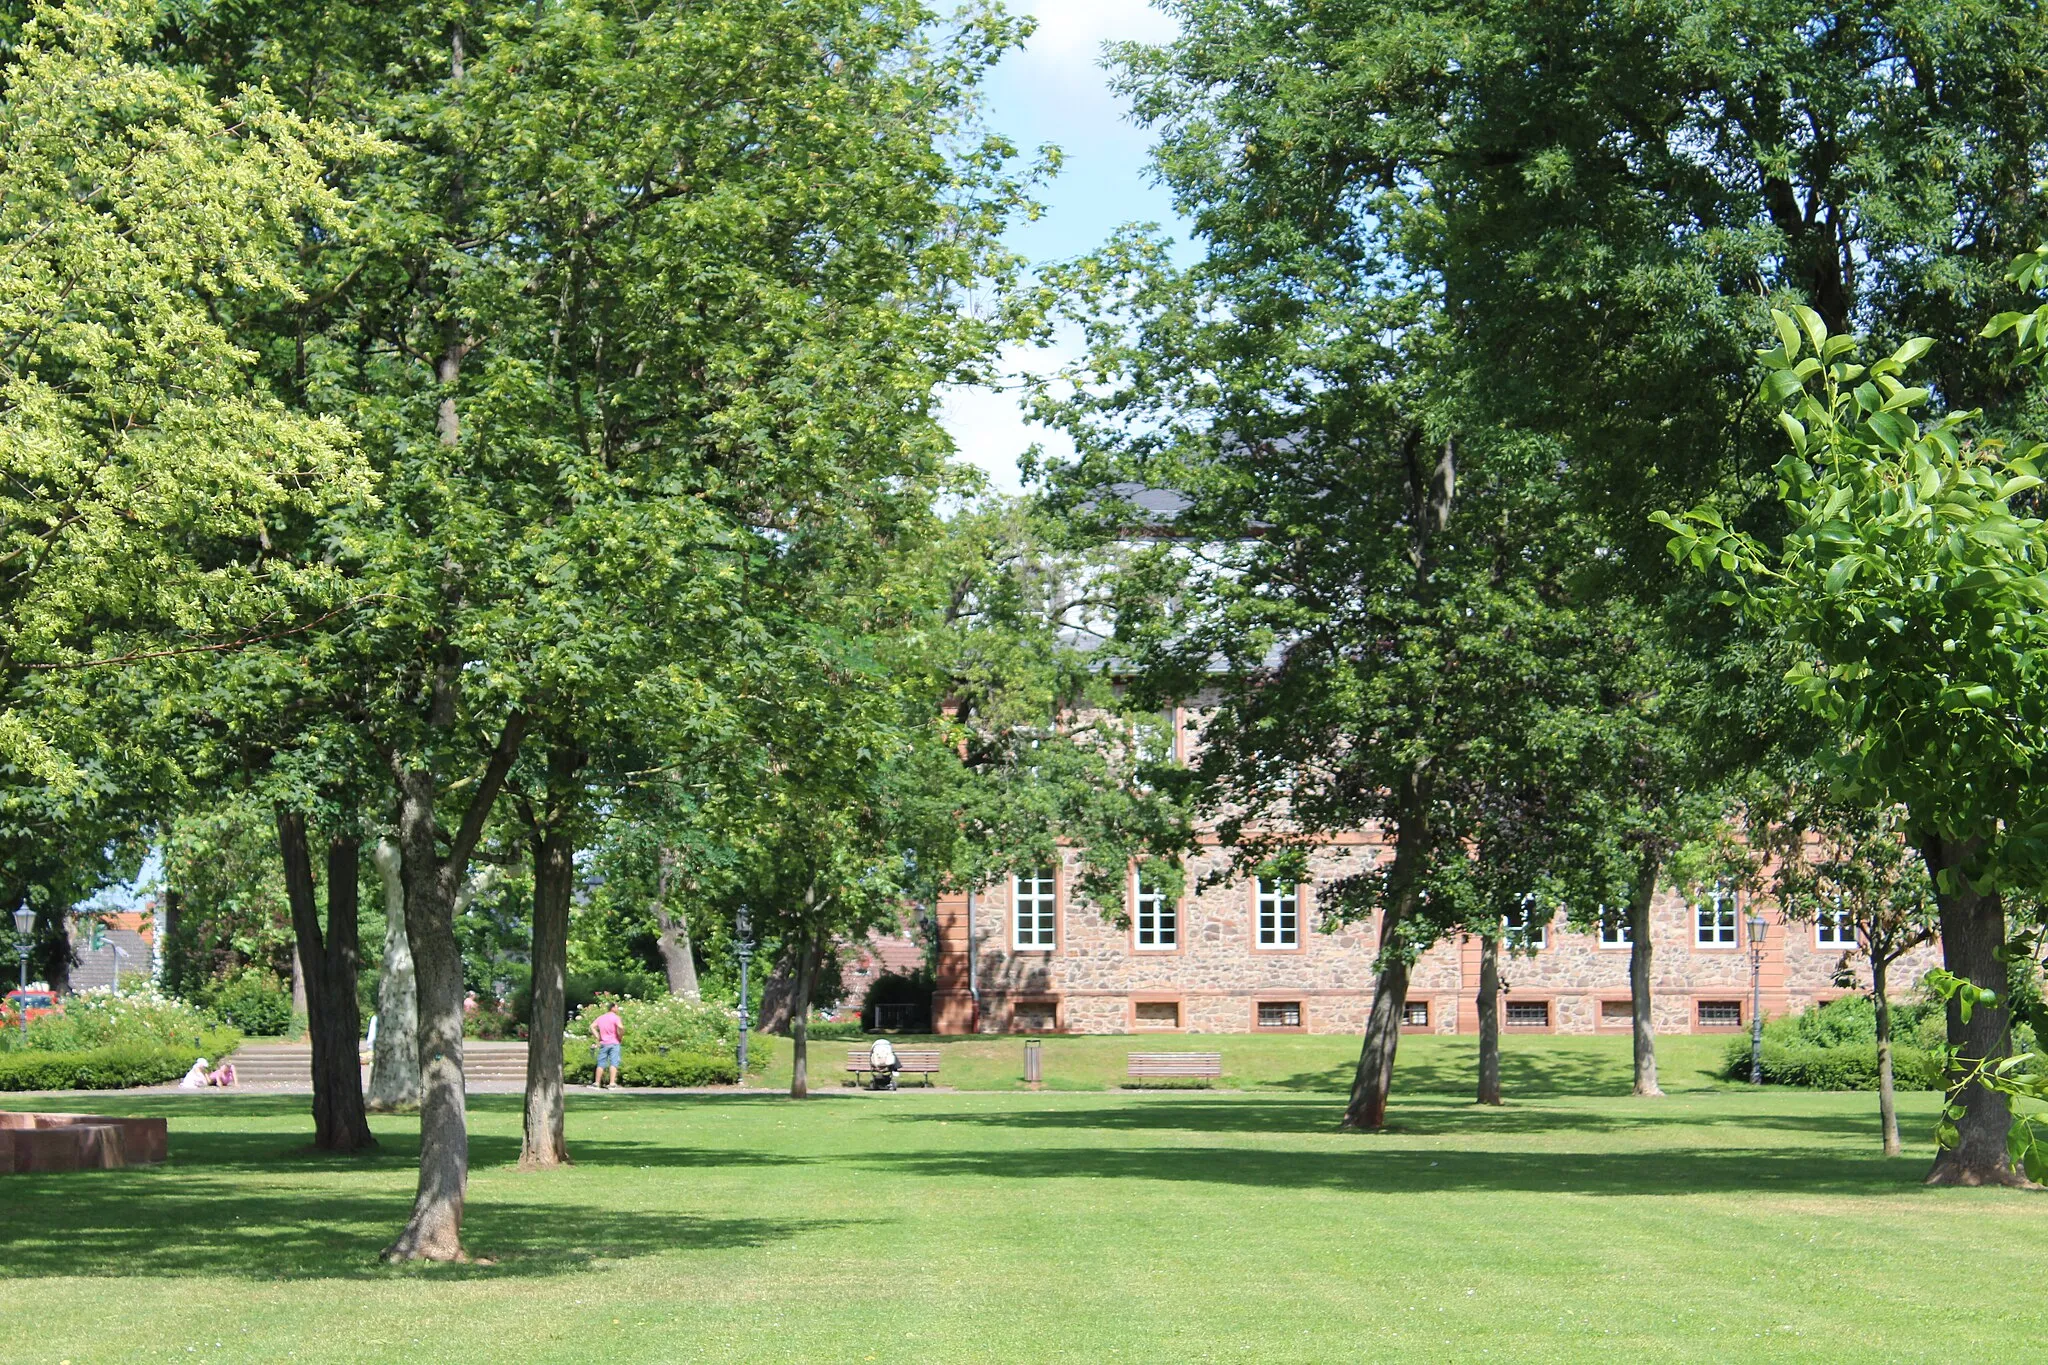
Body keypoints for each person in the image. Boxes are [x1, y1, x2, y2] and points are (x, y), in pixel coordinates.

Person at [590, 1002, 624, 1089]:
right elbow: (620, 1027)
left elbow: (592, 1026)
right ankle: (612, 1083)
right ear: (613, 1008)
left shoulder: (601, 1017)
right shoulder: (616, 1018)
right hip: (614, 1042)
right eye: (616, 1007)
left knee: (601, 1063)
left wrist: (598, 1036)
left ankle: (597, 1083)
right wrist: (620, 1036)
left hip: (604, 1043)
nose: (617, 1009)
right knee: (614, 1062)